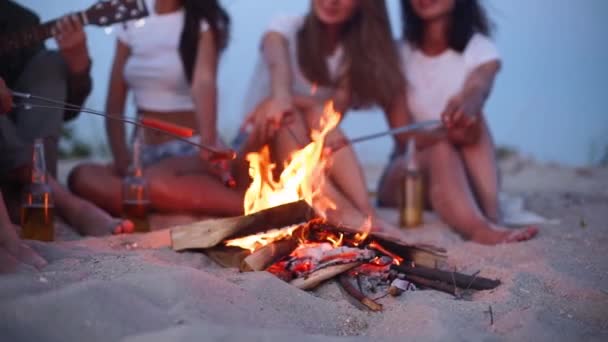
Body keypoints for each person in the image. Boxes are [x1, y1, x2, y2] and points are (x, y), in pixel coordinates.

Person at [376, 0, 538, 244]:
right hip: (406, 175)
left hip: (462, 175)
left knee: (475, 121)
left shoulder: (479, 49)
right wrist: (447, 133)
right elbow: (403, 136)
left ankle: (491, 213)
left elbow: (479, 83)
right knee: (442, 148)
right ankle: (479, 227)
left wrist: (468, 102)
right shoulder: (398, 54)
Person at [238, 0, 405, 231]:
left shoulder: (351, 52)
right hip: (257, 149)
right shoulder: (285, 27)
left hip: (310, 153)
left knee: (316, 116)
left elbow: (332, 113)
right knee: (289, 117)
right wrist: (281, 98)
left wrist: (284, 101)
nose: (331, 1)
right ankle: (337, 209)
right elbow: (279, 72)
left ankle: (366, 211)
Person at [68, 0, 243, 217]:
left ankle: (156, 200)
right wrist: (122, 158)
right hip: (142, 153)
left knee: (153, 182)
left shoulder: (202, 21)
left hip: (188, 151)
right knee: (82, 176)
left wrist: (208, 140)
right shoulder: (131, 20)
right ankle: (161, 201)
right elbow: (115, 100)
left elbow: (204, 82)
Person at [0, 1, 133, 238]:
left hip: (23, 144)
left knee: (50, 63)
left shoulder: (19, 20)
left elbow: (65, 112)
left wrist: (78, 64)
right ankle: (70, 206)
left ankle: (35, 193)